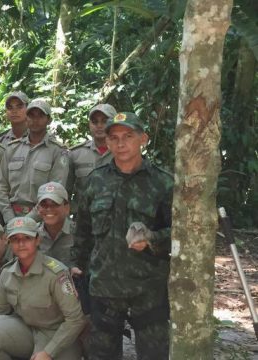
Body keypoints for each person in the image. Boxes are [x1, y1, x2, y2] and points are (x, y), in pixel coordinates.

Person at [70, 112, 173, 359]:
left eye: (128, 136)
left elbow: (181, 233)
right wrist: (77, 265)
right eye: (114, 137)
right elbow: (83, 229)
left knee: (154, 354)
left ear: (143, 139)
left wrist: (152, 240)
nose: (121, 143)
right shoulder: (96, 180)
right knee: (101, 354)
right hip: (104, 286)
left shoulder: (162, 182)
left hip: (148, 287)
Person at [0, 216, 85, 360]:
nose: (21, 244)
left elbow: (75, 320)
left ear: (37, 240)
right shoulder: (8, 273)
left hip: (56, 335)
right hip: (26, 330)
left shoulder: (56, 273)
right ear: (9, 242)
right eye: (15, 239)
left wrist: (48, 353)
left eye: (27, 238)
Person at [0, 98, 69, 221]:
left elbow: (55, 191)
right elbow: (1, 186)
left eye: (40, 116)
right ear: (26, 118)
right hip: (10, 217)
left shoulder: (57, 151)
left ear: (49, 120)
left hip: (42, 219)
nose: (35, 120)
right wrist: (9, 216)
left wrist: (29, 219)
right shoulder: (12, 148)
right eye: (31, 116)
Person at [67, 103, 117, 213]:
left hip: (115, 219)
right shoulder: (76, 154)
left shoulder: (122, 153)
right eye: (95, 122)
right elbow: (65, 192)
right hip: (82, 219)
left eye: (104, 121)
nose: (99, 126)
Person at [36, 182, 74, 266]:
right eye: (44, 204)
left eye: (55, 204)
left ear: (67, 208)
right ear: (38, 209)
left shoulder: (80, 234)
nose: (49, 208)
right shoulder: (31, 235)